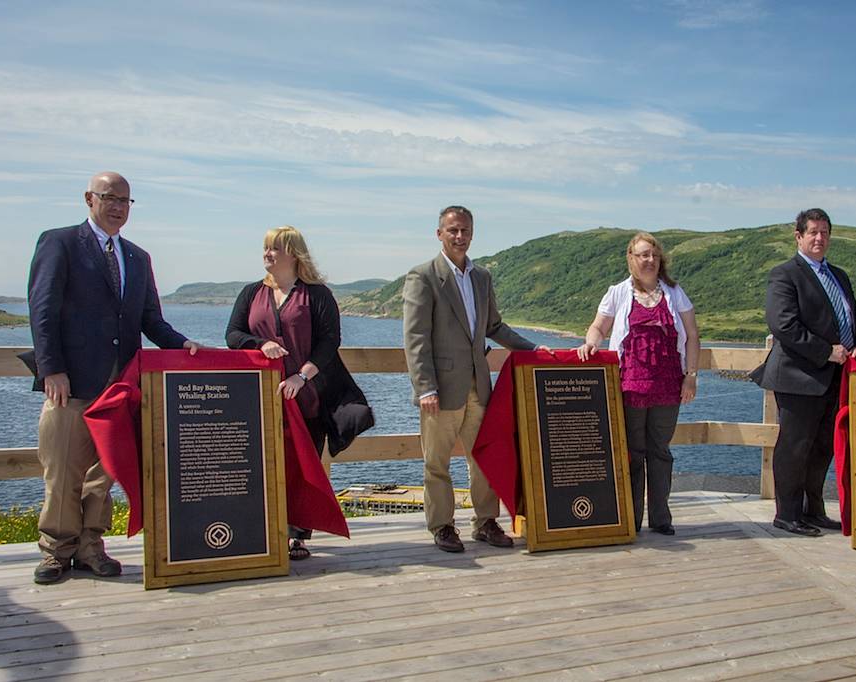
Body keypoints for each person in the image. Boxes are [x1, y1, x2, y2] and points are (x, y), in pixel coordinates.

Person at [28, 172, 200, 584]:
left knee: (101, 477)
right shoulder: (60, 242)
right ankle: (55, 551)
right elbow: (43, 309)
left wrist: (182, 344)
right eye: (110, 198)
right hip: (68, 386)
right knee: (62, 472)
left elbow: (150, 320)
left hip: (117, 388)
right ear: (89, 198)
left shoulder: (138, 258)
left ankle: (91, 548)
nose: (119, 206)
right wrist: (51, 368)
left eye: (125, 200)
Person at [403, 205, 548, 552]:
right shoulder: (422, 276)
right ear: (439, 234)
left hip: (478, 387)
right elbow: (416, 338)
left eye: (465, 230)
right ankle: (441, 526)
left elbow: (494, 327)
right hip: (439, 390)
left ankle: (485, 522)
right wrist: (425, 388)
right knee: (436, 462)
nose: (459, 236)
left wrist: (533, 350)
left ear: (472, 234)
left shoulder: (482, 277)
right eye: (452, 230)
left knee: (484, 456)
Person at [226, 225, 371, 559]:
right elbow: (232, 334)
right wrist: (260, 344)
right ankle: (261, 530)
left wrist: (301, 378)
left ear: (293, 253)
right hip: (262, 398)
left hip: (307, 396)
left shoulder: (317, 295)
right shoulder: (251, 293)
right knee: (263, 465)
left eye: (274, 248)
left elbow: (329, 341)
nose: (267, 254)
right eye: (265, 248)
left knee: (303, 465)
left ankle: (297, 536)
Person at [751, 208, 856, 537]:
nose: (820, 238)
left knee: (822, 448)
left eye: (825, 233)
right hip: (798, 376)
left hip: (835, 378)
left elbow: (854, 317)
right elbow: (783, 324)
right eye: (813, 232)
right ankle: (786, 514)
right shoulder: (785, 274)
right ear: (799, 236)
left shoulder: (839, 276)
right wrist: (825, 351)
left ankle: (813, 511)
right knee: (794, 446)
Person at [576, 232, 700, 535]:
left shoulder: (674, 292)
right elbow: (598, 326)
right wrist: (590, 343)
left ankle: (661, 519)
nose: (649, 260)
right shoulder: (618, 292)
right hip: (630, 385)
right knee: (633, 452)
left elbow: (693, 335)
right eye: (643, 255)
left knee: (660, 451)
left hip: (669, 385)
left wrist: (691, 376)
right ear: (631, 259)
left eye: (654, 255)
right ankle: (630, 519)